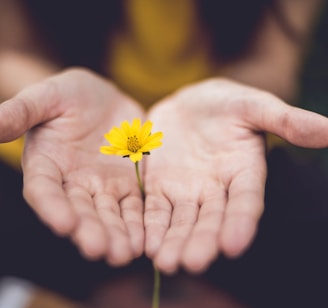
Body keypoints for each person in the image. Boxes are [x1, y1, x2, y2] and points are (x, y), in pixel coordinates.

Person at [0, 0, 327, 282]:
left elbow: (272, 63)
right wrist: (48, 92)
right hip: (68, 149)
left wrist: (232, 98)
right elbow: (10, 51)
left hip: (221, 148)